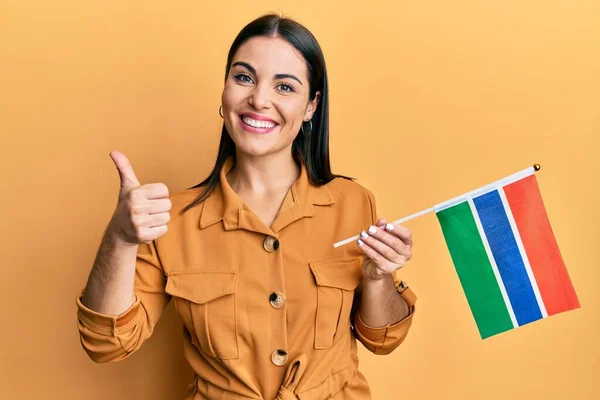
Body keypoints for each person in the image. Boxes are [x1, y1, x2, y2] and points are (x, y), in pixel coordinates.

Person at [76, 13, 416, 400]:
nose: (259, 99)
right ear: (224, 90)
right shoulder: (172, 219)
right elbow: (107, 344)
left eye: (285, 86)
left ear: (311, 106)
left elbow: (383, 338)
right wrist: (119, 239)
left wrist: (377, 278)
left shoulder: (353, 203)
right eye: (244, 77)